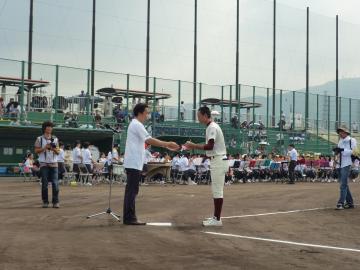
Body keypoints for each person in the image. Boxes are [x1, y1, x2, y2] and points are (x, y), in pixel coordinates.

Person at [122, 103, 179, 225]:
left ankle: (129, 217)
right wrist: (167, 144)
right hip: (133, 162)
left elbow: (147, 141)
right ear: (140, 113)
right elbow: (149, 140)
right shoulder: (137, 124)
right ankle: (130, 218)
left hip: (134, 162)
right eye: (146, 113)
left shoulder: (136, 124)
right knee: (132, 191)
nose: (148, 115)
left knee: (131, 191)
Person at [184, 106, 227, 226]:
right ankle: (215, 218)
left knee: (217, 191)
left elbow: (210, 146)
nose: (198, 118)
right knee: (216, 190)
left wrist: (193, 145)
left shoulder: (212, 127)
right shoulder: (210, 127)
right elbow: (211, 148)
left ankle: (217, 219)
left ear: (204, 115)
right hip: (217, 159)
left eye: (198, 116)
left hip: (218, 160)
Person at [34, 121, 60, 208]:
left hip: (54, 164)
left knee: (55, 183)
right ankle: (45, 201)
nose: (49, 128)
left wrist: (53, 148)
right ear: (44, 128)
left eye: (51, 127)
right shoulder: (39, 139)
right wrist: (45, 148)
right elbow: (36, 151)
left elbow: (58, 152)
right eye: (48, 127)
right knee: (44, 184)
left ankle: (55, 202)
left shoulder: (55, 139)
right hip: (44, 164)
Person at [333, 125, 356, 210]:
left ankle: (341, 203)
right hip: (340, 164)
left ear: (346, 132)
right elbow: (338, 153)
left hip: (347, 163)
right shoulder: (340, 141)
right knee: (344, 183)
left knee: (343, 184)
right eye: (339, 132)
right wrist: (335, 152)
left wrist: (342, 150)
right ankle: (350, 203)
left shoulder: (352, 140)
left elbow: (354, 152)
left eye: (341, 131)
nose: (340, 133)